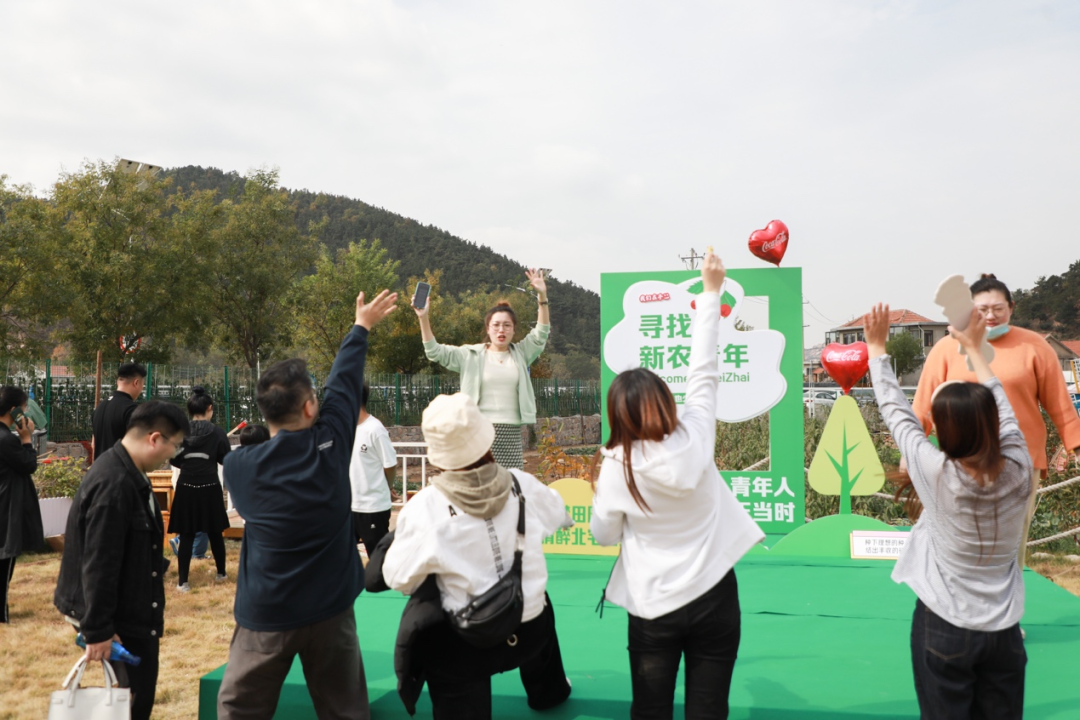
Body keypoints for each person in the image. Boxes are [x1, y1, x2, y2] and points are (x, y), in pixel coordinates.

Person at [589, 252, 764, 720]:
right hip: (716, 593)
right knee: (709, 707)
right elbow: (703, 369)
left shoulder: (617, 467)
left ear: (617, 415)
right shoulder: (696, 433)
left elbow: (603, 535)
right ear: (668, 401)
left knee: (650, 708)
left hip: (652, 602)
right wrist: (711, 291)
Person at [217, 288, 397, 720]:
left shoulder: (239, 467)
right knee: (344, 710)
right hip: (331, 610)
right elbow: (345, 384)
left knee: (240, 709)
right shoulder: (331, 445)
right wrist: (361, 327)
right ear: (311, 406)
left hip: (267, 612)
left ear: (265, 411)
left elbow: (339, 389)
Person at [866, 302, 1031, 719]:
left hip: (944, 625)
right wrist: (976, 349)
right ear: (992, 425)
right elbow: (1005, 409)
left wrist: (876, 348)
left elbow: (896, 412)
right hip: (1005, 633)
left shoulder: (937, 473)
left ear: (942, 431)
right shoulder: (1019, 468)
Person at [373, 392, 573, 719]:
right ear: (485, 438)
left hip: (467, 640)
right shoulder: (522, 484)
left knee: (440, 639)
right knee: (537, 595)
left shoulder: (425, 506)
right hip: (528, 631)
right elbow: (559, 516)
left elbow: (398, 578)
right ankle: (548, 691)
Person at [912, 274, 1080, 563]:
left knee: (1010, 545)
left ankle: (1007, 590)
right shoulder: (946, 348)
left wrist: (1076, 446)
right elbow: (923, 405)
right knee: (959, 541)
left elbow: (1061, 405)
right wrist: (911, 449)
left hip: (1020, 461)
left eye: (998, 308)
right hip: (960, 460)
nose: (990, 316)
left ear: (1011, 307)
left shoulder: (1035, 347)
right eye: (982, 309)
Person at [55, 401, 190, 720]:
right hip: (119, 623)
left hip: (128, 611)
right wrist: (99, 630)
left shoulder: (128, 472)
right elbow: (99, 563)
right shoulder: (114, 484)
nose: (173, 455)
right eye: (175, 446)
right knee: (130, 704)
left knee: (133, 700)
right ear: (155, 438)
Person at [414, 269, 550, 469]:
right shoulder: (469, 355)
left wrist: (542, 296)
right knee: (478, 482)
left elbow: (541, 333)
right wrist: (423, 317)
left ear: (514, 329)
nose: (501, 330)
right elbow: (434, 351)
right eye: (496, 325)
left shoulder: (521, 354)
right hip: (477, 432)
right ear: (488, 329)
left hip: (510, 435)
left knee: (509, 484)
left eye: (507, 325)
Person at [168, 387, 231, 591]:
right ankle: (221, 573)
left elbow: (173, 458)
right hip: (210, 486)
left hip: (186, 486)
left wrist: (188, 463)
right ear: (209, 408)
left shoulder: (179, 432)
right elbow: (225, 459)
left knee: (186, 534)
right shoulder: (218, 432)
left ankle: (183, 582)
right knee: (215, 531)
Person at [0, 386, 42, 623]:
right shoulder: (6, 440)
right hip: (6, 507)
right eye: (24, 408)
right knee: (4, 561)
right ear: (14, 410)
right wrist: (26, 439)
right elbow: (29, 465)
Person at [350, 383, 399, 557]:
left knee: (378, 560)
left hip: (373, 508)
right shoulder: (346, 429)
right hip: (349, 507)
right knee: (342, 560)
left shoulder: (375, 429)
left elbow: (390, 464)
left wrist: (388, 486)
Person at [91, 362, 146, 462]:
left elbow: (93, 445)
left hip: (99, 469)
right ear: (136, 383)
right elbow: (139, 447)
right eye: (143, 385)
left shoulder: (100, 407)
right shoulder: (131, 409)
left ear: (118, 382)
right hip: (120, 470)